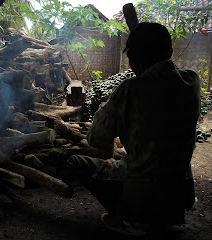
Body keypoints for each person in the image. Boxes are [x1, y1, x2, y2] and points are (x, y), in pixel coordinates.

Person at [64, 22, 201, 238]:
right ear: (171, 52)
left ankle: (125, 217)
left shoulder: (131, 89)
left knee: (76, 162)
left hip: (142, 195)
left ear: (132, 58)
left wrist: (111, 104)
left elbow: (97, 138)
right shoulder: (192, 81)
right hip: (178, 195)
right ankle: (166, 219)